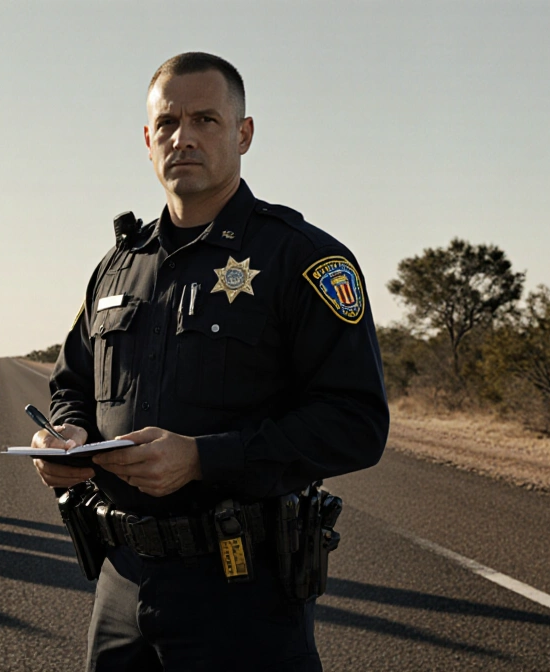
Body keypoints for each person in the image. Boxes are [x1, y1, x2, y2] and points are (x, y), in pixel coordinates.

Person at [30, 52, 390, 671]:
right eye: (167, 123)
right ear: (148, 140)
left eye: (205, 120)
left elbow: (356, 423)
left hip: (240, 590)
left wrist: (202, 458)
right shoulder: (118, 267)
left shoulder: (299, 259)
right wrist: (68, 437)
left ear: (243, 133)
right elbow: (73, 383)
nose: (183, 137)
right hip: (120, 585)